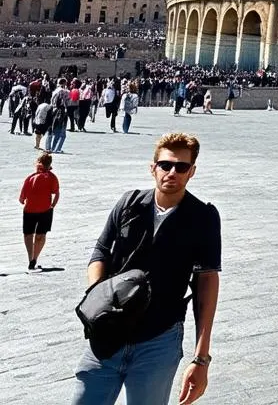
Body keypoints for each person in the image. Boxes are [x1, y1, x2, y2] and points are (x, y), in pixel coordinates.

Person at [70, 131, 221, 405]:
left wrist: (201, 358)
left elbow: (206, 283)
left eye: (181, 167)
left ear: (192, 172)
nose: (172, 172)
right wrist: (99, 298)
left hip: (158, 340)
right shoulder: (129, 204)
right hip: (108, 336)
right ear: (153, 168)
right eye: (165, 165)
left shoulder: (203, 217)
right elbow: (100, 252)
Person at [20, 152, 60, 272]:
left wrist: (25, 200)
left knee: (28, 234)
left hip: (29, 210)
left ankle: (30, 258)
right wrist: (52, 205)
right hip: (45, 210)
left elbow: (21, 199)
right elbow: (56, 193)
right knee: (40, 235)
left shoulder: (30, 177)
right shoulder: (52, 177)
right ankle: (34, 259)